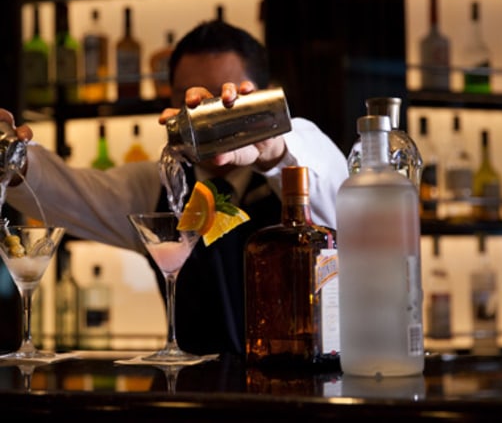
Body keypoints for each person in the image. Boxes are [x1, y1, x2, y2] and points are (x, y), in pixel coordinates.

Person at [3, 19, 348, 356]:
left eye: (225, 103)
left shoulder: (301, 146)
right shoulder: (157, 185)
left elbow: (331, 188)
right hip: (189, 396)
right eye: (196, 103)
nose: (209, 117)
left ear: (257, 97)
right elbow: (65, 192)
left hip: (302, 391)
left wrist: (270, 150)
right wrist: (14, 159)